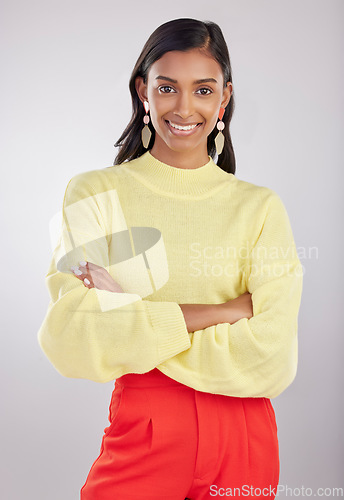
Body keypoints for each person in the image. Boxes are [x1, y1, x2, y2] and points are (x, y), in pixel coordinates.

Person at [38, 18, 303, 500]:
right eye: (167, 87)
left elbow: (273, 355)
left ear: (223, 98)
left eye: (203, 89)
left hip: (244, 438)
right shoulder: (97, 193)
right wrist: (225, 312)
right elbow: (71, 337)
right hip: (145, 430)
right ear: (143, 90)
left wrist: (135, 321)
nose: (184, 108)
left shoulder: (259, 207)